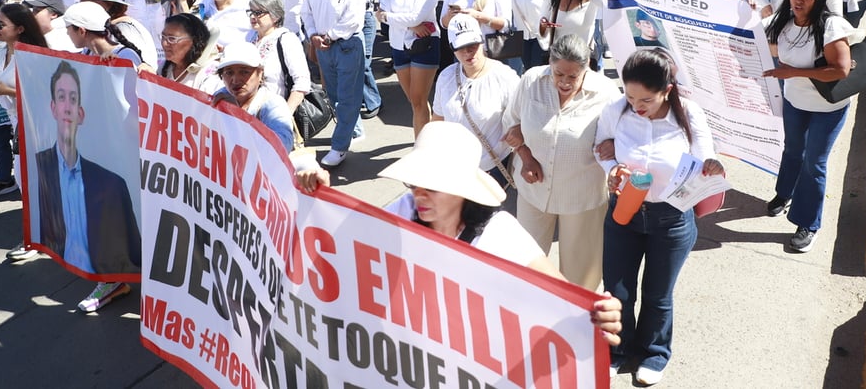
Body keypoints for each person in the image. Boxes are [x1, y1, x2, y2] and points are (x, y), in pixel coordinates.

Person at [292, 121, 623, 345]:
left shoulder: (498, 233)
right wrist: (320, 194)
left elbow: (564, 296)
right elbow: (348, 234)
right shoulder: (405, 208)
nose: (420, 193)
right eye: (415, 182)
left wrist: (599, 315)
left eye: (434, 186)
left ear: (461, 190)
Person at [594, 48, 725, 383]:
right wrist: (611, 169)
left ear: (667, 90)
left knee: (658, 294)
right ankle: (618, 349)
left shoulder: (689, 114)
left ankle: (655, 353)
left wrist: (711, 168)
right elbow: (600, 146)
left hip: (671, 218)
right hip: (624, 213)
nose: (637, 106)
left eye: (646, 100)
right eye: (630, 95)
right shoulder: (617, 110)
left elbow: (705, 158)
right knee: (618, 290)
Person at [502, 33, 620, 289]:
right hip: (533, 193)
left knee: (580, 282)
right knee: (525, 269)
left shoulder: (607, 93)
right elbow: (510, 122)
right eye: (558, 74)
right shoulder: (532, 80)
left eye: (573, 76)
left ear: (586, 67)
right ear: (550, 64)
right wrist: (525, 155)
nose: (564, 82)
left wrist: (615, 145)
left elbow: (625, 135)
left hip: (582, 198)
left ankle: (576, 326)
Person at [763, 0, 853, 253]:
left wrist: (792, 72)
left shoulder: (831, 27)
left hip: (828, 108)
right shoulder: (783, 22)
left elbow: (841, 70)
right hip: (795, 103)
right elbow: (750, 36)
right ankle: (784, 194)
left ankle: (808, 223)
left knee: (814, 163)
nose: (798, 0)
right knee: (792, 151)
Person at [35, 60, 140, 278]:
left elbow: (131, 252)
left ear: (80, 114)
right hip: (61, 273)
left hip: (99, 275)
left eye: (73, 99)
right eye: (61, 97)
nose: (67, 106)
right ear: (53, 108)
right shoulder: (39, 168)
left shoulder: (111, 183)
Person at [300, 0, 367, 167]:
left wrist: (329, 35)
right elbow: (306, 11)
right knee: (334, 96)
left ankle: (339, 146)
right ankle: (354, 129)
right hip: (323, 47)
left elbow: (353, 18)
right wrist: (313, 35)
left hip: (347, 44)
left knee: (348, 99)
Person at [432, 15, 520, 185]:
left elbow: (525, 117)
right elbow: (437, 121)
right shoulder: (446, 76)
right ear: (452, 48)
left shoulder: (505, 77)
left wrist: (519, 131)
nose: (467, 52)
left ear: (482, 41)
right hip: (454, 168)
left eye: (472, 45)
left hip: (491, 171)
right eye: (461, 47)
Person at [0, 3, 48, 202]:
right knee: (23, 179)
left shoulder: (32, 56)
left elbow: (42, 95)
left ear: (20, 29)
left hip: (34, 128)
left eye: (1, 24)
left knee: (32, 180)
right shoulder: (4, 51)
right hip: (16, 122)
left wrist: (5, 90)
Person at [376, 0, 440, 137]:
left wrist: (392, 17)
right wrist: (412, 24)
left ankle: (421, 147)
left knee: (418, 100)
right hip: (398, 45)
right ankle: (427, 137)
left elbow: (415, 16)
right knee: (414, 101)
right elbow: (382, 13)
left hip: (424, 44)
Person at [212, 42, 295, 153]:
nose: (235, 80)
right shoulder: (219, 98)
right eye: (229, 72)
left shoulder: (273, 104)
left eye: (244, 72)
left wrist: (237, 116)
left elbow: (281, 148)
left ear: (260, 73)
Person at [247, 0, 311, 137]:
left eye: (258, 12)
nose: (252, 17)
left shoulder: (286, 39)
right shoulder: (251, 37)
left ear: (275, 16)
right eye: (251, 12)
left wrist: (285, 116)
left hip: (274, 115)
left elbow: (302, 82)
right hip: (250, 116)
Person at [77, 0, 159, 72]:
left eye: (88, 3)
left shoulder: (126, 29)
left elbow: (138, 70)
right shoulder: (100, 30)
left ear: (109, 4)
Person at [538, 0, 603, 67]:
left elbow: (613, 6)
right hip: (559, 60)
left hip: (584, 60)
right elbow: (541, 31)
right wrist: (543, 25)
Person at [159, 13, 220, 92]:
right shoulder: (164, 68)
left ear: (194, 41)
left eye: (172, 39)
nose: (164, 43)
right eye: (163, 37)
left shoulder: (211, 73)